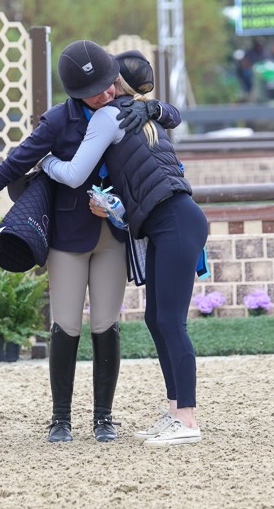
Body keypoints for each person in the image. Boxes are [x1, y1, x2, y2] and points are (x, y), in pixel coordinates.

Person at [0, 40, 182, 443]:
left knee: (107, 324)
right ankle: (60, 418)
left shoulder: (125, 106)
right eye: (98, 90)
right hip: (69, 238)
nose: (108, 92)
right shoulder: (57, 121)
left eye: (111, 84)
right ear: (75, 94)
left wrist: (155, 107)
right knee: (66, 324)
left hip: (112, 234)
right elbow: (17, 162)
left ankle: (104, 418)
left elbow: (170, 116)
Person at [41, 50, 207, 446]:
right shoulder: (144, 117)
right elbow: (172, 116)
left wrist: (45, 162)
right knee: (155, 319)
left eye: (111, 82)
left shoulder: (108, 116)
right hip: (173, 221)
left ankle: (187, 419)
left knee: (171, 323)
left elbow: (74, 173)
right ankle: (174, 413)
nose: (106, 88)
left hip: (174, 222)